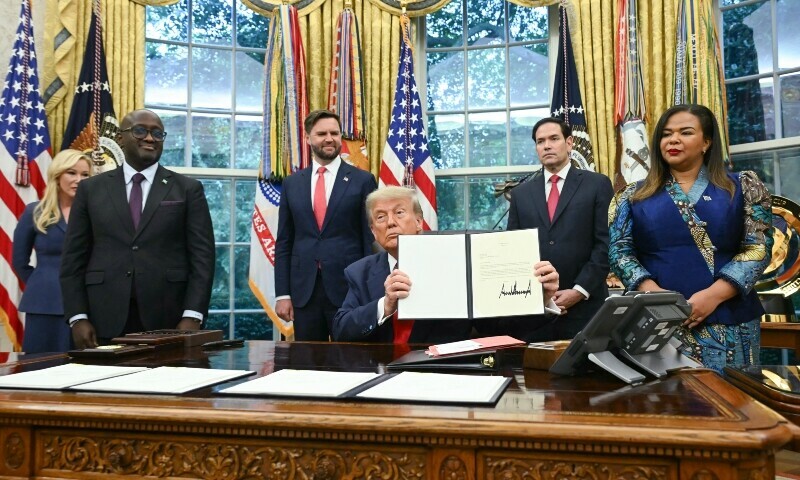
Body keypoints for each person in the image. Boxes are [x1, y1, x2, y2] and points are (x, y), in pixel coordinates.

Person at [608, 104, 773, 372]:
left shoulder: (743, 186)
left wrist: (713, 296)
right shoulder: (631, 196)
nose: (673, 140)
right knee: (664, 407)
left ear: (706, 142)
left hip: (730, 321)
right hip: (657, 322)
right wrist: (655, 296)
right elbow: (619, 252)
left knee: (735, 407)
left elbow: (758, 249)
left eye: (685, 132)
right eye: (666, 134)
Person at [60, 109, 216, 348]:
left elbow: (203, 258)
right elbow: (73, 259)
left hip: (169, 319)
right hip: (103, 316)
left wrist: (193, 315)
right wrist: (77, 317)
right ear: (120, 138)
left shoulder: (187, 189)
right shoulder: (91, 189)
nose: (150, 138)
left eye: (157, 133)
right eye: (140, 131)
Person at [332, 186, 560, 343]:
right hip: (379, 373)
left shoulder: (458, 261)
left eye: (399, 213)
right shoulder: (359, 272)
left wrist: (541, 298)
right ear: (373, 231)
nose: (390, 222)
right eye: (380, 217)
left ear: (419, 222)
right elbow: (341, 330)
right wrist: (386, 305)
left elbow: (499, 327)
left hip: (442, 373)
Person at [506, 117, 614, 341]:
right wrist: (542, 298)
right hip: (537, 313)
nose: (547, 145)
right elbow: (513, 250)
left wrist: (579, 290)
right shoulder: (520, 194)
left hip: (586, 308)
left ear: (570, 142)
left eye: (554, 139)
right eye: (540, 141)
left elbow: (605, 244)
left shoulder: (597, 184)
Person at [274, 110, 377, 341]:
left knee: (353, 362)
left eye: (334, 133)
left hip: (350, 289)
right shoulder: (292, 184)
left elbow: (369, 240)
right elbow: (284, 241)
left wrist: (368, 290)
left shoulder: (363, 180)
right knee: (308, 365)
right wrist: (282, 293)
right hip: (304, 292)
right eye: (322, 133)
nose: (329, 138)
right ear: (308, 138)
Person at [12, 149, 92, 353]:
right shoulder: (35, 212)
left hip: (86, 305)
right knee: (41, 370)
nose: (78, 180)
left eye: (85, 175)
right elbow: (19, 262)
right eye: (72, 173)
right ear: (57, 175)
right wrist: (43, 282)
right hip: (44, 305)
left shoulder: (96, 214)